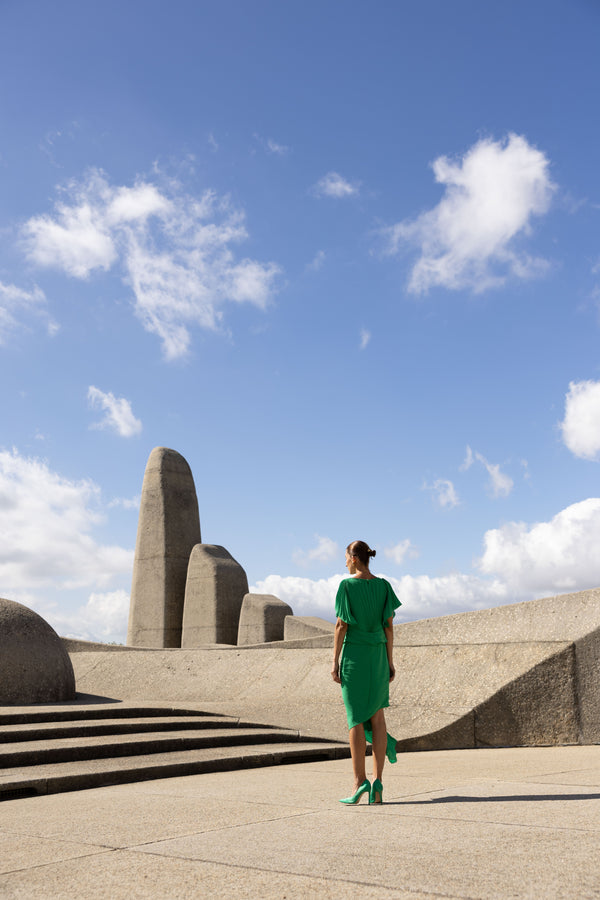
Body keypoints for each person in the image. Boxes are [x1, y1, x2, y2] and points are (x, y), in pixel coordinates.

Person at [332, 540, 401, 804]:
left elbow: (341, 625)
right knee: (378, 717)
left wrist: (335, 660)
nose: (345, 563)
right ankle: (379, 783)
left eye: (346, 558)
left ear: (354, 558)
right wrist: (390, 661)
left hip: (355, 656)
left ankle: (359, 783)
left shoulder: (346, 586)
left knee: (355, 719)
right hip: (378, 656)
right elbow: (389, 626)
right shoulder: (384, 586)